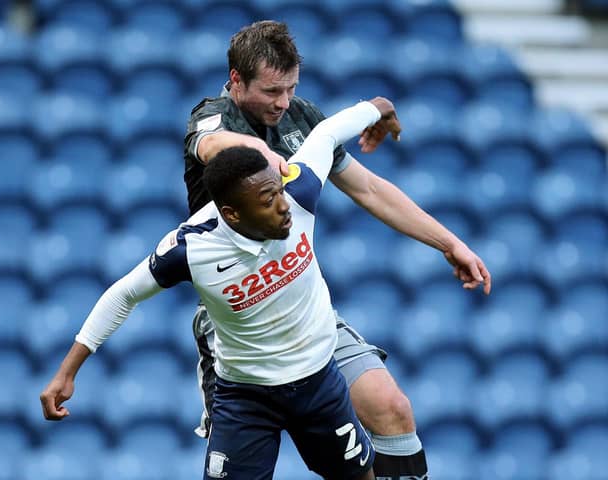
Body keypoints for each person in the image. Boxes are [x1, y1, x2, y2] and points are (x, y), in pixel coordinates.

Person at [184, 20, 492, 480]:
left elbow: (368, 188)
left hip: (305, 310)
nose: (283, 102)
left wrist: (448, 243)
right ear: (235, 80)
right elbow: (208, 145)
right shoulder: (212, 116)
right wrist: (254, 150)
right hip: (241, 325)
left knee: (393, 409)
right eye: (271, 91)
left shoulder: (300, 118)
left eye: (290, 89)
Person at [40, 98, 408, 479]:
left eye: (278, 192)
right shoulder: (191, 248)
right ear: (231, 213)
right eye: (268, 201)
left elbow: (327, 132)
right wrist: (67, 373)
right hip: (247, 398)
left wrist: (379, 106)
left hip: (318, 380)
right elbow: (123, 294)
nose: (283, 207)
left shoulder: (298, 190)